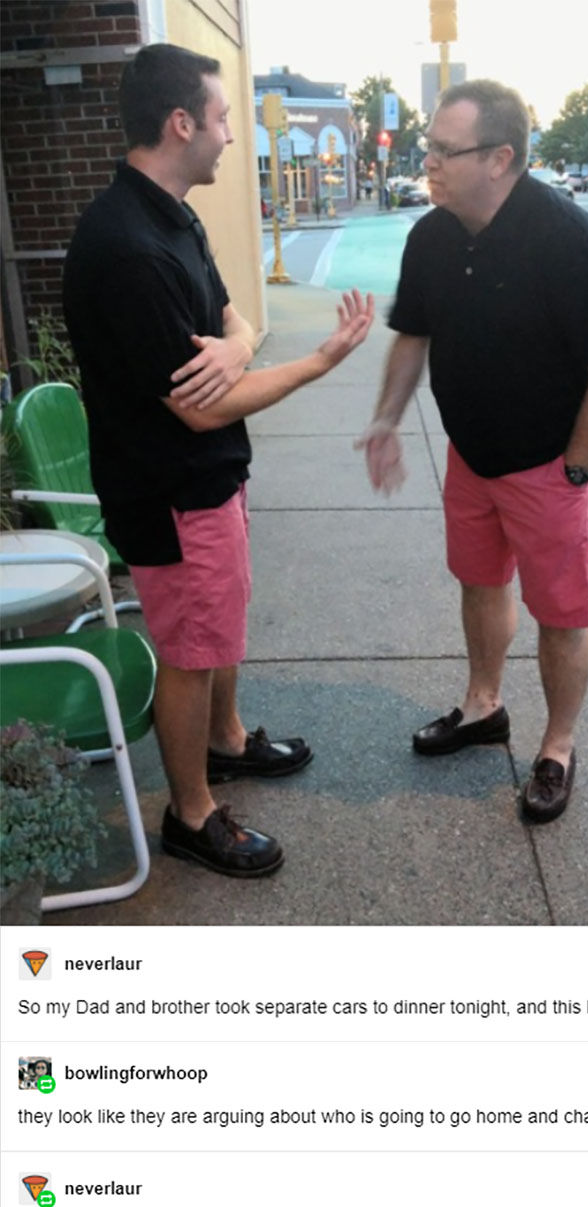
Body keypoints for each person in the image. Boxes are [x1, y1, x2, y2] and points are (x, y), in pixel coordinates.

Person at [63, 44, 373, 878]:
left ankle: (227, 742)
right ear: (181, 123)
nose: (232, 135)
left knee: (218, 624)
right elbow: (199, 406)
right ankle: (191, 814)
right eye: (223, 117)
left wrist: (235, 348)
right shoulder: (127, 249)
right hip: (169, 491)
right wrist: (318, 363)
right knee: (191, 650)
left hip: (210, 476)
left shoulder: (173, 216)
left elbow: (232, 322)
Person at [357, 79, 588, 823]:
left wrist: (576, 469)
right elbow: (413, 335)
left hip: (548, 465)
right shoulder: (432, 235)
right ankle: (483, 706)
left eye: (444, 151)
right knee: (480, 583)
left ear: (500, 158)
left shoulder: (569, 241)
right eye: (428, 148)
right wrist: (386, 420)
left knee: (562, 613)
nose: (428, 163)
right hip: (471, 458)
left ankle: (557, 747)